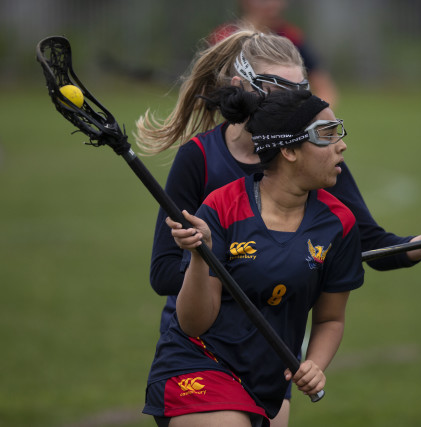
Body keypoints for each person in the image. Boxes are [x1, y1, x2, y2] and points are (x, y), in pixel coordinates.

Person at [135, 30, 421, 426]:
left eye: (300, 91)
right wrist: (230, 260)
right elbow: (164, 273)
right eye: (278, 90)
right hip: (205, 345)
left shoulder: (315, 163)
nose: (293, 103)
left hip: (271, 354)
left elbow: (365, 243)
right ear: (241, 86)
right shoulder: (201, 160)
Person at [143, 86, 365, 426]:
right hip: (200, 363)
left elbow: (330, 319)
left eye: (339, 131)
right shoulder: (222, 207)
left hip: (268, 380)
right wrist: (201, 256)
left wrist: (315, 364)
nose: (341, 144)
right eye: (326, 134)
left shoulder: (339, 222)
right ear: (288, 149)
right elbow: (193, 324)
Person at [209, 0, 338, 106]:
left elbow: (324, 88)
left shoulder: (291, 37)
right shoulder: (225, 37)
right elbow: (206, 87)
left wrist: (308, 116)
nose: (272, 3)